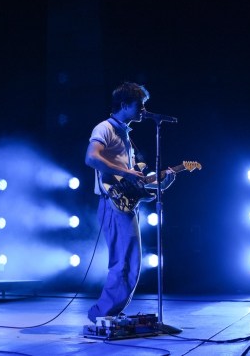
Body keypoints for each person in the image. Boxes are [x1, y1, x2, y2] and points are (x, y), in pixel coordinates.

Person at [85, 82, 175, 323]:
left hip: (126, 204)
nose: (144, 110)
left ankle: (111, 313)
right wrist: (125, 173)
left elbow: (133, 179)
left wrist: (160, 183)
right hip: (111, 203)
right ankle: (102, 314)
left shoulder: (125, 134)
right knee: (122, 261)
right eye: (139, 105)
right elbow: (91, 158)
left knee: (132, 262)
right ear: (124, 105)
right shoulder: (104, 128)